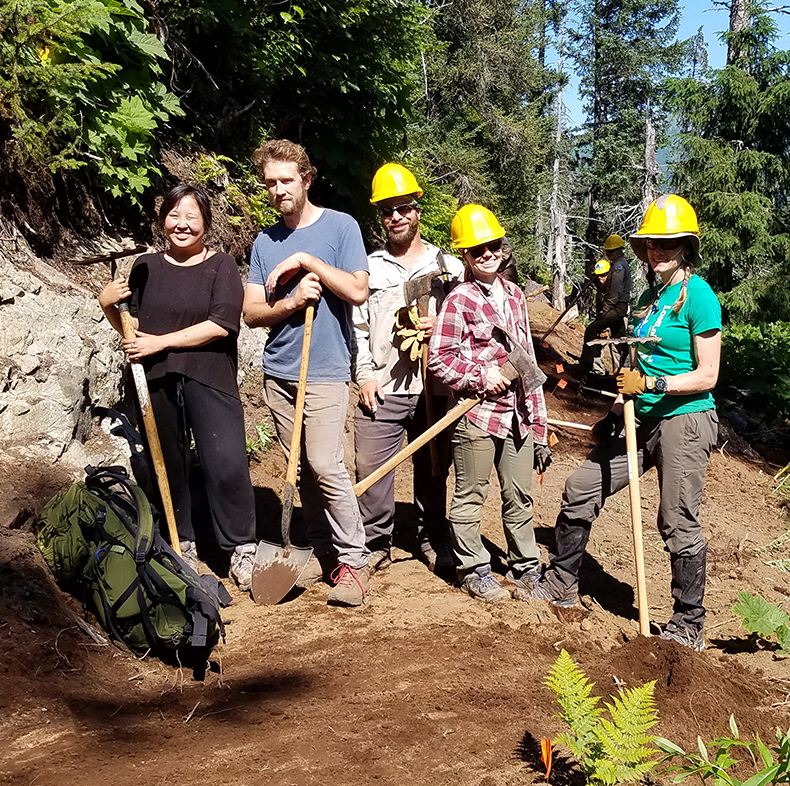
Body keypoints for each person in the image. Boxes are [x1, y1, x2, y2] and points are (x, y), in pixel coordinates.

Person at [528, 194, 721, 651]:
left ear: (686, 247)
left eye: (668, 244)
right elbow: (633, 371)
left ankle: (687, 624)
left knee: (675, 519)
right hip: (640, 417)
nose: (658, 251)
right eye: (652, 244)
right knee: (581, 487)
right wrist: (614, 414)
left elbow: (708, 374)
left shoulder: (700, 297)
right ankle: (561, 582)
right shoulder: (650, 298)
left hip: (686, 420)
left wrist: (653, 381)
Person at [98, 184, 257, 591]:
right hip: (156, 380)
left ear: (205, 223)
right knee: (168, 466)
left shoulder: (220, 266)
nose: (181, 224)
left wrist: (162, 342)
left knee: (226, 464)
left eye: (191, 217)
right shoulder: (145, 266)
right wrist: (106, 306)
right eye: (174, 215)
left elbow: (222, 324)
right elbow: (133, 332)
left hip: (210, 376)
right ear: (162, 219)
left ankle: (241, 549)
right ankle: (179, 543)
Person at [242, 139, 371, 607]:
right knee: (301, 468)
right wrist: (294, 301)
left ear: (307, 179)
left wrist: (309, 262)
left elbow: (358, 290)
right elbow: (251, 312)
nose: (278, 190)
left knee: (324, 463)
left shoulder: (341, 227)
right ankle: (321, 549)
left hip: (326, 370)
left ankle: (355, 561)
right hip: (279, 371)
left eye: (286, 180)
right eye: (270, 182)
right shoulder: (263, 241)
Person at [428, 204, 550, 602]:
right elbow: (439, 359)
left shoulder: (515, 295)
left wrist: (540, 423)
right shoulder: (458, 300)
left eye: (493, 245)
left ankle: (526, 568)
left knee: (519, 495)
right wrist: (482, 375)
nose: (487, 254)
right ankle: (474, 568)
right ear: (465, 255)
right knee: (470, 496)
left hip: (517, 416)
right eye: (477, 248)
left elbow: (526, 359)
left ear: (502, 247)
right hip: (476, 415)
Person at [353, 163, 464, 574]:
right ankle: (374, 542)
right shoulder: (368, 267)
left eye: (403, 207)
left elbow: (471, 324)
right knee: (373, 467)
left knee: (435, 467)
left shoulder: (450, 267)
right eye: (387, 210)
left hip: (436, 386)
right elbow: (357, 327)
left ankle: (431, 536)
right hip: (383, 383)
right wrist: (364, 374)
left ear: (417, 209)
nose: (396, 216)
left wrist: (443, 326)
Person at [576, 234, 632, 375]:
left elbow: (615, 292)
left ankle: (586, 364)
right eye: (609, 251)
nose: (610, 254)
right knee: (620, 340)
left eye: (612, 251)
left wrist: (605, 310)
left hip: (616, 308)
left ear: (619, 251)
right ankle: (625, 371)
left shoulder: (619, 267)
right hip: (618, 308)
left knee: (591, 330)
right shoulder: (616, 266)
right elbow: (608, 289)